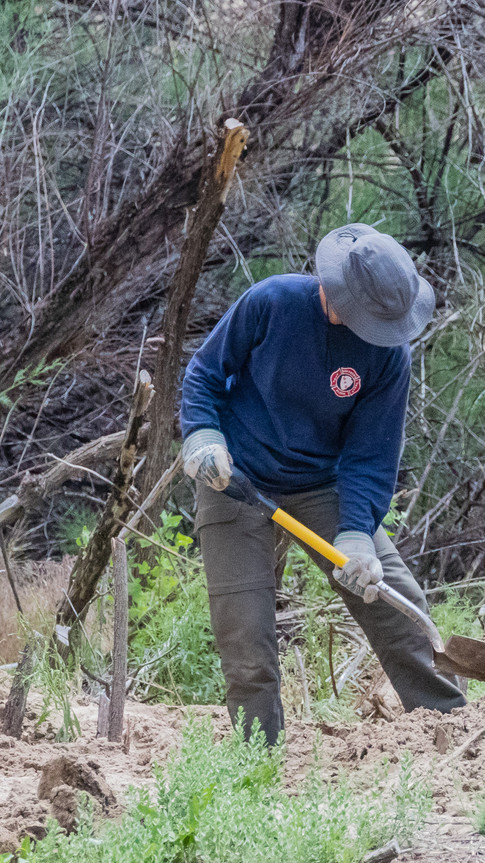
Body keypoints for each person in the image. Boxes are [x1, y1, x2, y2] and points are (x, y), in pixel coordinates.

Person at [179, 223, 465, 744]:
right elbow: (203, 374)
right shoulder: (272, 303)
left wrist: (356, 535)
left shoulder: (388, 356)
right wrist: (202, 436)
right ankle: (256, 768)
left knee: (397, 604)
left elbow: (371, 453)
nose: (374, 332)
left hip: (321, 485)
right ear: (332, 294)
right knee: (247, 643)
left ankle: (456, 737)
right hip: (234, 477)